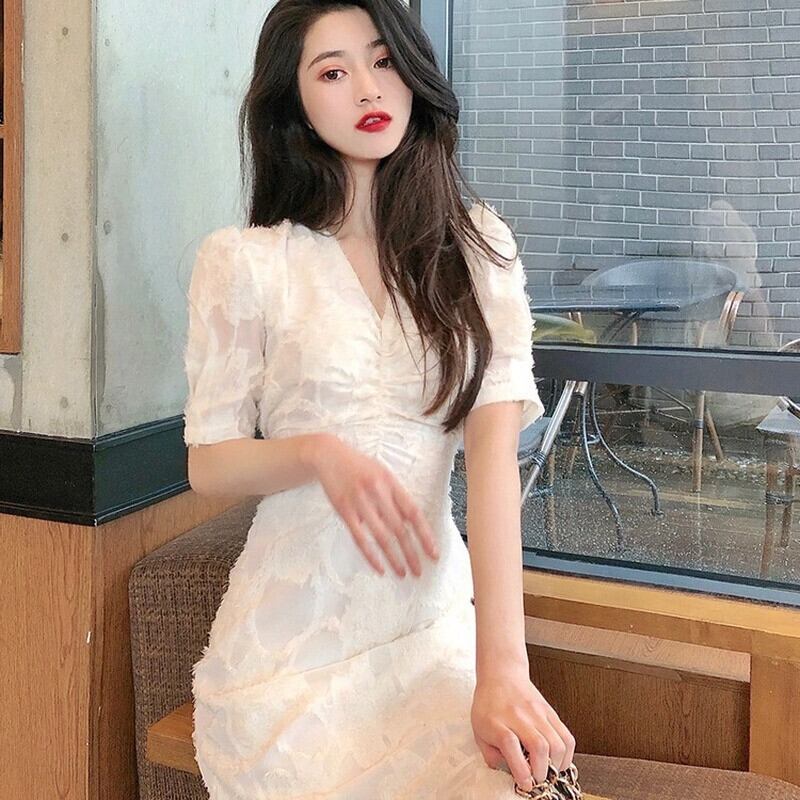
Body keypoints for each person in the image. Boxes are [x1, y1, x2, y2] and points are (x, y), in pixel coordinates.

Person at [182, 1, 577, 797]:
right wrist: (317, 454)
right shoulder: (247, 263)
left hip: (430, 634)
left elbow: (493, 468)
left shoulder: (476, 251)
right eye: (333, 72)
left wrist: (503, 670)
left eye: (383, 60)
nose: (368, 87)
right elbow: (209, 465)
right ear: (296, 104)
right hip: (289, 659)